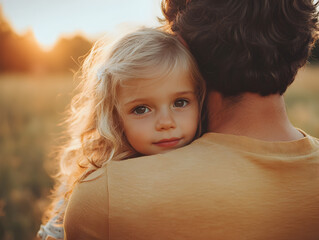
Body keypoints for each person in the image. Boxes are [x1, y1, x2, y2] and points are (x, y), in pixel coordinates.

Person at [64, 0, 319, 239]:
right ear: (300, 45)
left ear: (182, 45)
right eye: (142, 109)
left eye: (180, 103)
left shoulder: (104, 198)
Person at [37, 27, 205, 240]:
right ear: (114, 118)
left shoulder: (208, 156)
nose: (166, 123)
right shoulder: (99, 180)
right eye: (141, 109)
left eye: (180, 103)